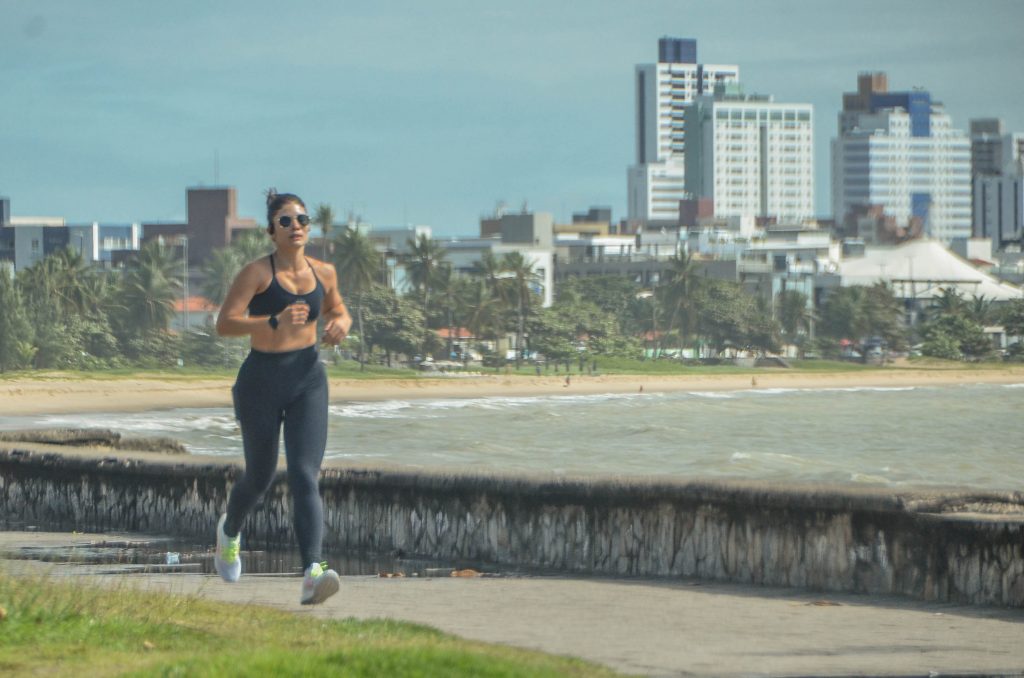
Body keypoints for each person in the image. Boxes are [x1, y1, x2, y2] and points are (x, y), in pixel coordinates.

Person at [213, 190, 352, 605]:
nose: (297, 227)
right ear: (272, 230)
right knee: (260, 474)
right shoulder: (256, 273)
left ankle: (313, 571)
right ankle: (230, 530)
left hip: (308, 379)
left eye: (303, 220)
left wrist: (340, 323)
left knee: (305, 474)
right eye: (287, 221)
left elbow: (339, 309)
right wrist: (270, 320)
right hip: (260, 381)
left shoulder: (323, 272)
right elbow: (225, 324)